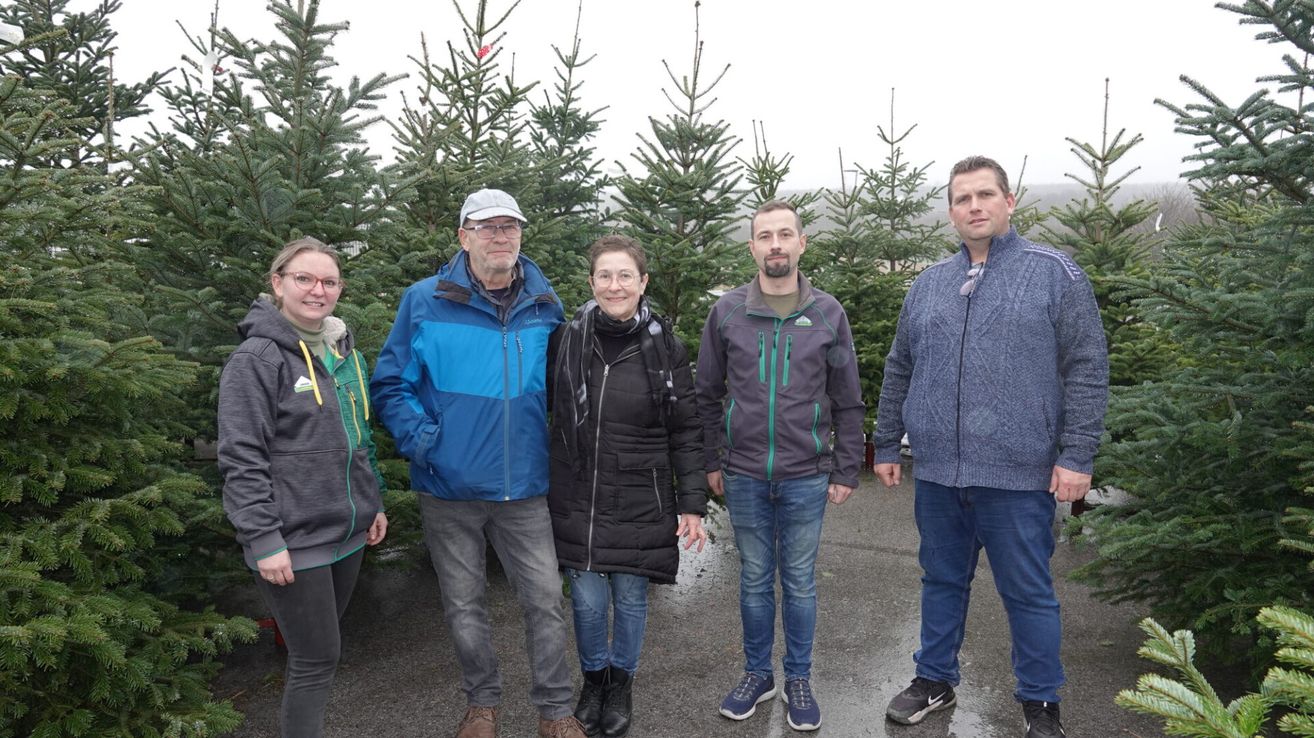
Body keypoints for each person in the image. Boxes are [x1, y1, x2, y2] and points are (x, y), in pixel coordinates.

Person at [872, 156, 1109, 738]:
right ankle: (934, 679)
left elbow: (1087, 366)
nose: (973, 206)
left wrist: (1077, 454)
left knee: (1027, 591)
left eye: (985, 195)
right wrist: (883, 441)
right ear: (951, 212)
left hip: (1018, 473)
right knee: (941, 580)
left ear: (1009, 202)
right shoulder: (928, 285)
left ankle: (1041, 702)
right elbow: (899, 366)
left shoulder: (1055, 273)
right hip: (939, 474)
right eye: (962, 198)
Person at [370, 189, 586, 738]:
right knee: (464, 608)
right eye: (487, 227)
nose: (500, 236)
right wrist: (426, 444)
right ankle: (482, 705)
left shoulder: (545, 304)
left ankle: (555, 711)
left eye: (509, 227)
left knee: (544, 602)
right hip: (449, 490)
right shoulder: (424, 300)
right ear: (463, 236)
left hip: (524, 490)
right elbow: (391, 383)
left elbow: (564, 389)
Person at [695, 201, 865, 732]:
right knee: (752, 580)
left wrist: (844, 469)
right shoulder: (726, 312)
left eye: (784, 234)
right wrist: (711, 459)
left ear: (801, 243)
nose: (775, 244)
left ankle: (797, 678)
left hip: (806, 475)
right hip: (743, 472)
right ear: (752, 247)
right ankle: (756, 674)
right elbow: (704, 394)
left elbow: (848, 398)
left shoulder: (827, 313)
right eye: (764, 235)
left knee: (798, 580)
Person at [218, 237, 389, 738]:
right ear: (278, 283)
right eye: (304, 279)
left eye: (329, 281)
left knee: (319, 654)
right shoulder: (258, 359)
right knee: (316, 659)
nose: (318, 290)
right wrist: (264, 539)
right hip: (294, 541)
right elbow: (240, 457)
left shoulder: (343, 351)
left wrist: (372, 501)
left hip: (349, 533)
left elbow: (360, 435)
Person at [547, 235, 710, 738]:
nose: (613, 285)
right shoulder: (566, 339)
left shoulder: (666, 347)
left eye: (624, 276)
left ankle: (622, 685)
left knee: (632, 599)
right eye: (604, 275)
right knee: (589, 601)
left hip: (643, 494)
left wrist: (691, 504)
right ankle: (593, 681)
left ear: (642, 283)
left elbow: (686, 428)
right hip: (579, 494)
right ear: (591, 281)